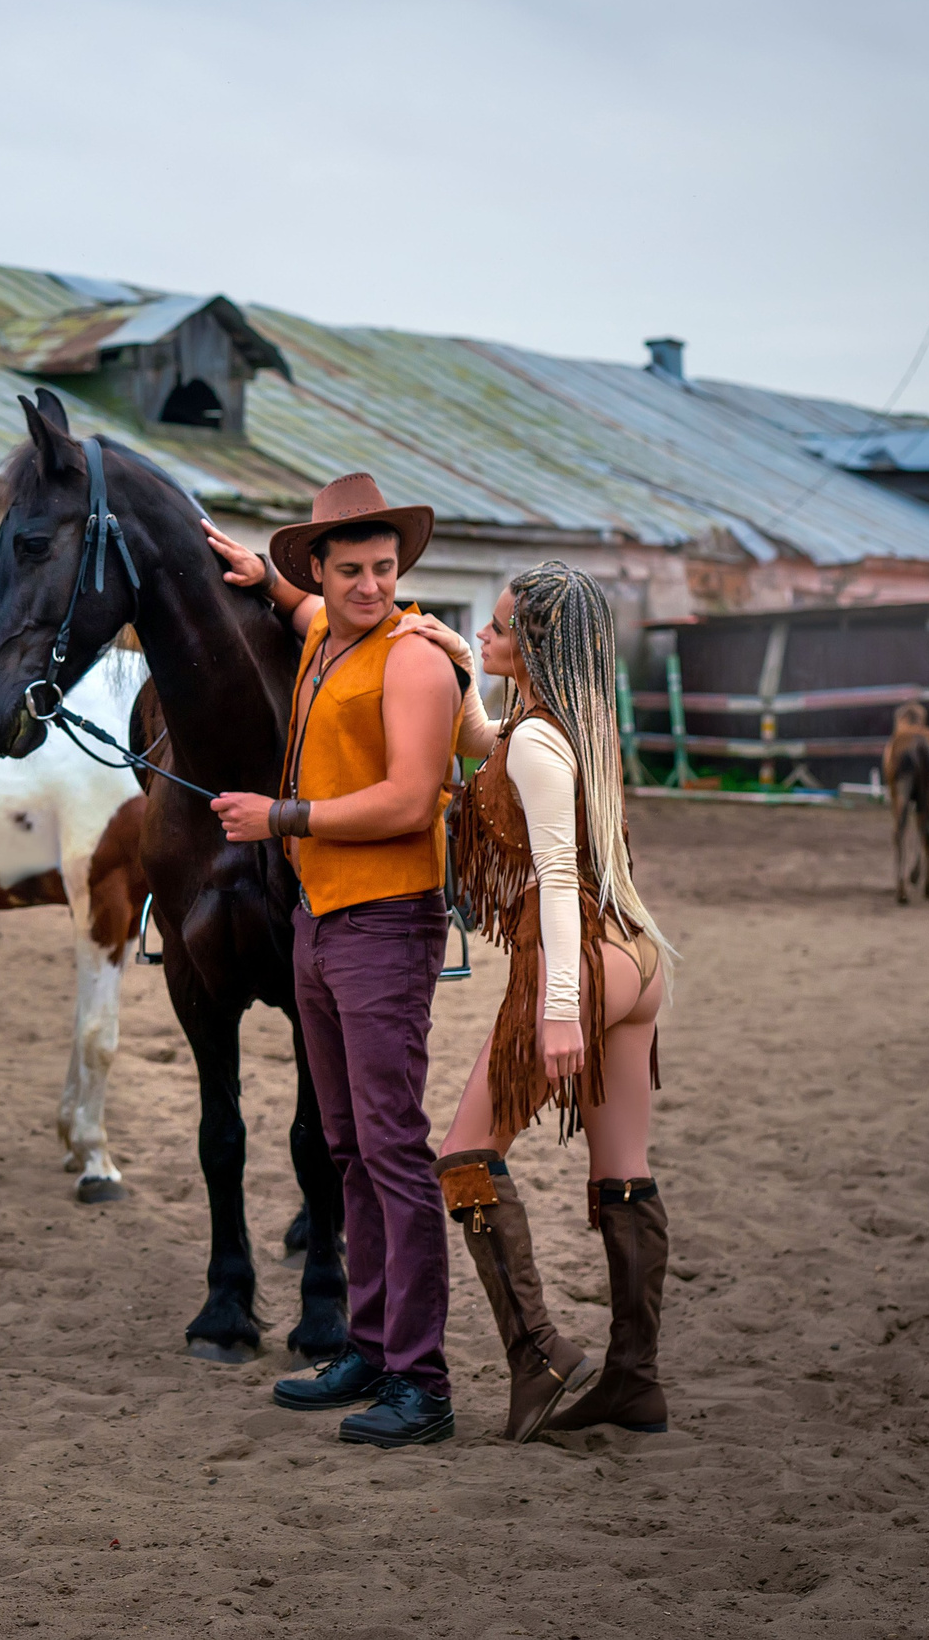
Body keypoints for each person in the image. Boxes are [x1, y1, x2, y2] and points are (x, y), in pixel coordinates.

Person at [201, 473, 470, 1448]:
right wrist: (256, 575)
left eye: (384, 569)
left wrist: (282, 817)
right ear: (318, 567)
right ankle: (368, 1344)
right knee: (349, 1146)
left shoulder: (413, 660)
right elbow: (306, 606)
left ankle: (423, 1380)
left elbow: (408, 800)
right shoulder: (327, 630)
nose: (370, 586)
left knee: (393, 1153)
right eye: (350, 569)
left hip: (387, 924)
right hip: (320, 919)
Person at [397, 564, 675, 1439]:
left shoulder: (540, 743)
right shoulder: (564, 725)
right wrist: (457, 664)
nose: (483, 633)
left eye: (497, 629)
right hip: (637, 957)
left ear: (536, 646)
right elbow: (491, 749)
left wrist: (559, 1010)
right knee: (620, 1174)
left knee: (464, 1156)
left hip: (580, 956)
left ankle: (540, 1355)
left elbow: (555, 880)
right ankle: (634, 1381)